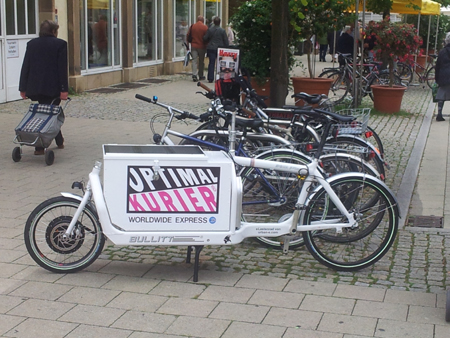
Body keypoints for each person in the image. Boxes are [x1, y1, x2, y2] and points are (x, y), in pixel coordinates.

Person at [19, 20, 68, 155]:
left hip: (35, 87)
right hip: (53, 87)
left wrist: (22, 87)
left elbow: (26, 66)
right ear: (53, 31)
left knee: (45, 112)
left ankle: (59, 140)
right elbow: (61, 69)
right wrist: (64, 89)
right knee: (51, 113)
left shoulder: (32, 44)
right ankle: (40, 146)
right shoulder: (60, 44)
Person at [203, 17, 229, 83]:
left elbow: (205, 38)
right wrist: (227, 48)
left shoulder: (210, 29)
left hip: (211, 48)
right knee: (220, 63)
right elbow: (226, 40)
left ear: (213, 22)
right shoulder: (222, 31)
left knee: (211, 63)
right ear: (219, 22)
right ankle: (220, 77)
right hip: (220, 48)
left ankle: (210, 78)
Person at [434, 32, 450, 121]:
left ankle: (439, 113)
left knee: (441, 94)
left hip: (443, 76)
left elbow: (438, 66)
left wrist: (437, 78)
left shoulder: (442, 52)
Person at [187, 16, 208, 82]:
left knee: (194, 60)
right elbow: (207, 37)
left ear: (197, 19)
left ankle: (194, 74)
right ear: (203, 20)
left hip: (194, 46)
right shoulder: (205, 27)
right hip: (202, 47)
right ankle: (201, 75)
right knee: (201, 61)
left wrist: (188, 45)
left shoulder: (193, 26)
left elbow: (188, 35)